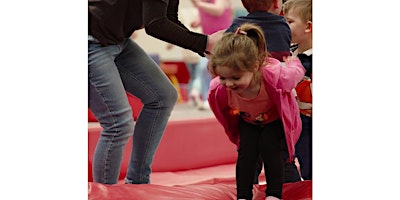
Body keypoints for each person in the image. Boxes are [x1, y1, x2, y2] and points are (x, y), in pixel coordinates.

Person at [88, 0, 224, 185]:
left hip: (117, 41)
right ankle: (103, 194)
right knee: (118, 124)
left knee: (163, 96)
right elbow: (155, 25)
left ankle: (138, 182)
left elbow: (169, 18)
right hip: (92, 41)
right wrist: (206, 42)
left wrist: (204, 47)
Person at [208, 23, 305, 200]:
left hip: (274, 120)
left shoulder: (274, 76)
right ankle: (243, 195)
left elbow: (293, 74)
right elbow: (223, 111)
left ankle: (274, 194)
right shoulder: (219, 89)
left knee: (270, 147)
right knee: (246, 153)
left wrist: (294, 63)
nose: (229, 83)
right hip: (247, 120)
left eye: (236, 78)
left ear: (254, 67)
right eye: (223, 77)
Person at [225, 0, 301, 184]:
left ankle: (246, 189)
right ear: (276, 4)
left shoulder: (237, 26)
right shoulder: (282, 25)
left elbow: (226, 55)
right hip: (276, 103)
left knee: (249, 153)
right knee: (281, 152)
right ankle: (291, 190)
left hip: (249, 102)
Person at [283, 0, 313, 180]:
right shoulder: (288, 54)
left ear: (308, 26)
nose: (283, 27)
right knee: (306, 163)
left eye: (289, 22)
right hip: (299, 122)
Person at [189, 0, 233, 110]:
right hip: (209, 42)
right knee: (205, 69)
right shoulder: (203, 3)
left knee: (220, 70)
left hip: (223, 40)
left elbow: (218, 10)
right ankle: (206, 98)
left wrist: (199, 4)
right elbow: (205, 16)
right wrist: (198, 22)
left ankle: (225, 98)